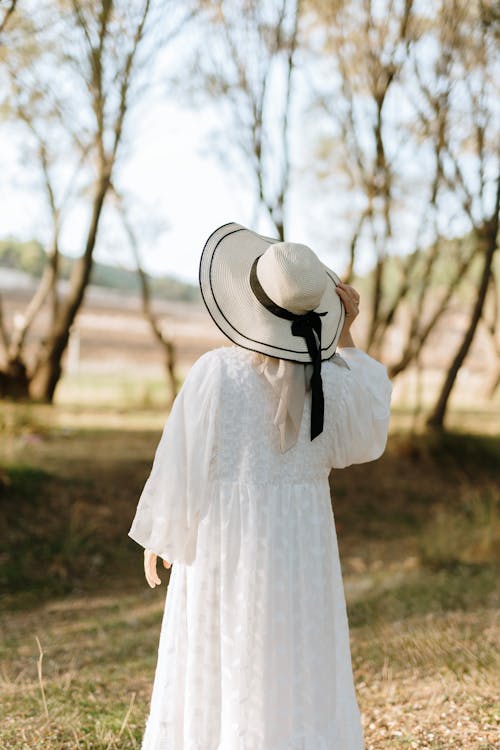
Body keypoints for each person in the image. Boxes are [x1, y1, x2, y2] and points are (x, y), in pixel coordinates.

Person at [128, 222, 393, 750]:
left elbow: (182, 461)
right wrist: (347, 339)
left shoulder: (216, 373)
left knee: (227, 650)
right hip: (302, 550)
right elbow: (368, 428)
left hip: (227, 547)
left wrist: (165, 532)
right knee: (296, 651)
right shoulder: (331, 380)